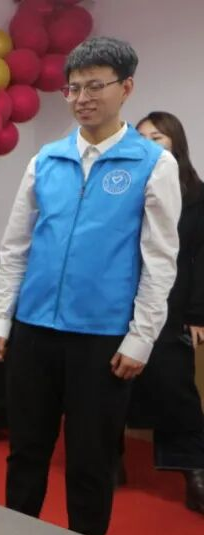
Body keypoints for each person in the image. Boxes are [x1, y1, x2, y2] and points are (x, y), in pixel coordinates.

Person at [0, 37, 181, 535]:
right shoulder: (46, 160)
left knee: (91, 459)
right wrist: (1, 318)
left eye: (96, 85)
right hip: (35, 329)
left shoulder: (153, 164)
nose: (82, 98)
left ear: (126, 88)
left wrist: (141, 337)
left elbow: (159, 259)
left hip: (103, 338)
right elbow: (16, 246)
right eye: (73, 88)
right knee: (26, 449)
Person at [126, 111, 204, 514]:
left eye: (157, 138)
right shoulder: (126, 185)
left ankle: (194, 471)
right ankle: (107, 460)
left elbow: (201, 258)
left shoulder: (196, 194)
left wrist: (198, 313)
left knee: (175, 384)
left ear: (176, 142)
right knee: (112, 378)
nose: (148, 144)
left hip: (174, 301)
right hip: (122, 297)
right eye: (141, 137)